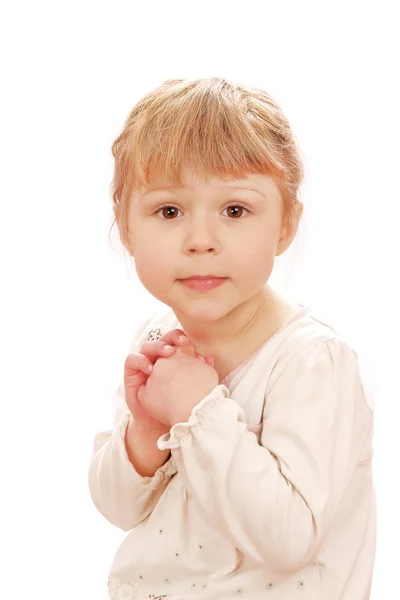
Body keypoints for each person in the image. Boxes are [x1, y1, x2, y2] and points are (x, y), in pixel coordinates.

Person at [88, 77, 376, 600]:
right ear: (126, 228)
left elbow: (290, 539)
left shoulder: (311, 361)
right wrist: (146, 428)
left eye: (235, 211)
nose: (201, 241)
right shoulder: (159, 340)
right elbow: (117, 508)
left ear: (285, 224)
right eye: (169, 211)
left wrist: (199, 410)